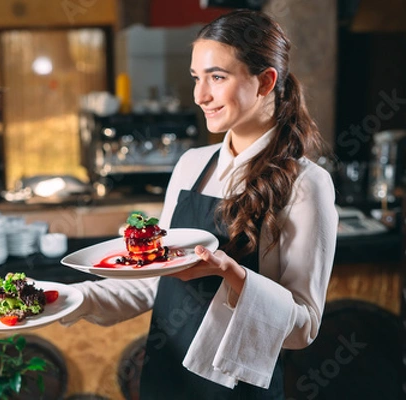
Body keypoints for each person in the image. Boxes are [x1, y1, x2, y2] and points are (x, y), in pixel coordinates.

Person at [61, 9, 338, 399]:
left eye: (217, 77)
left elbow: (303, 328)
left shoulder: (307, 184)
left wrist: (234, 276)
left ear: (265, 81)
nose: (199, 95)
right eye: (196, 77)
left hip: (238, 387)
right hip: (166, 378)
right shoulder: (191, 165)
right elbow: (153, 283)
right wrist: (66, 299)